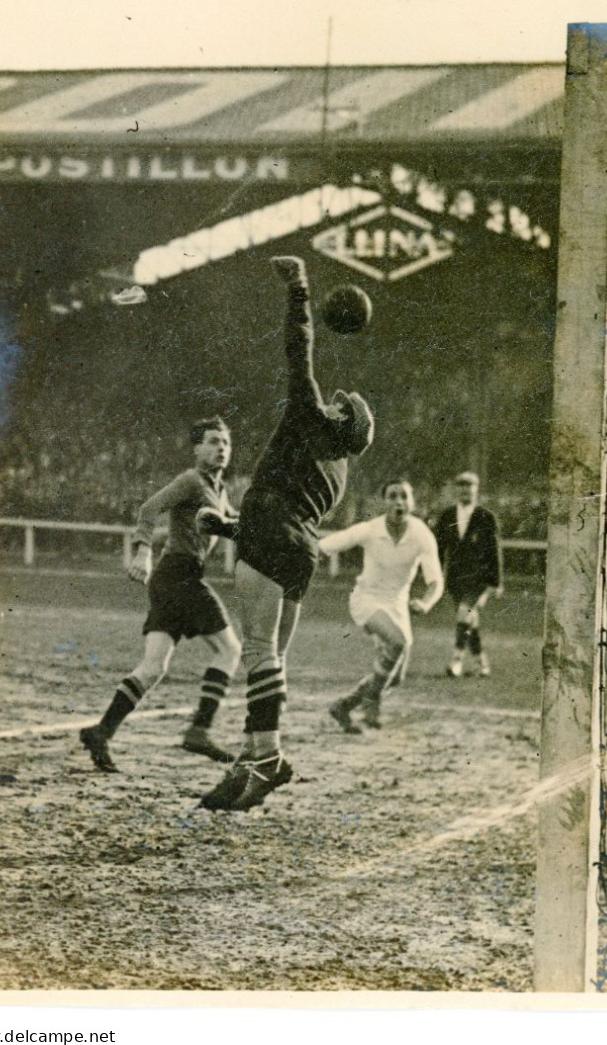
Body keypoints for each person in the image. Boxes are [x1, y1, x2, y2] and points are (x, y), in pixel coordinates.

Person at [198, 255, 375, 812]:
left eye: (340, 404)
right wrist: (229, 525)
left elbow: (299, 348)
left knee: (255, 649)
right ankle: (249, 758)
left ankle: (268, 757)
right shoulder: (339, 469)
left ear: (338, 420)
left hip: (271, 534)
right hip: (302, 552)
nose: (332, 397)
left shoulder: (307, 415)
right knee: (270, 655)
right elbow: (294, 512)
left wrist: (299, 288)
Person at [79, 417, 241, 773]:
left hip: (173, 579)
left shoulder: (220, 491)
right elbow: (149, 509)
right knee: (230, 650)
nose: (221, 449)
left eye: (225, 443)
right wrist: (141, 550)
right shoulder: (191, 481)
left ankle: (101, 731)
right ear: (196, 448)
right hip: (179, 575)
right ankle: (199, 731)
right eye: (213, 442)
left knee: (153, 668)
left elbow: (234, 527)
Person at [323, 479, 444, 734]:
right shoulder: (370, 529)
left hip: (398, 603)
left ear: (412, 502)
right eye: (392, 496)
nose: (398, 502)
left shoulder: (421, 534)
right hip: (366, 598)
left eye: (404, 496)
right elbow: (328, 545)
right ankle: (370, 703)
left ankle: (343, 706)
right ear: (383, 501)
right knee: (397, 643)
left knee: (395, 677)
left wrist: (425, 602)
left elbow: (435, 581)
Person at [433, 471, 502, 678]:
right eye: (461, 486)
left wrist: (496, 582)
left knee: (464, 614)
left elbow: (494, 551)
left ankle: (456, 661)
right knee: (469, 621)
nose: (465, 490)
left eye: (469, 486)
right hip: (455, 578)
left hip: (479, 579)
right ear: (457, 490)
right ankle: (482, 664)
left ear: (476, 490)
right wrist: (435, 576)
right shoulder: (447, 516)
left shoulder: (486, 517)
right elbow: (438, 548)